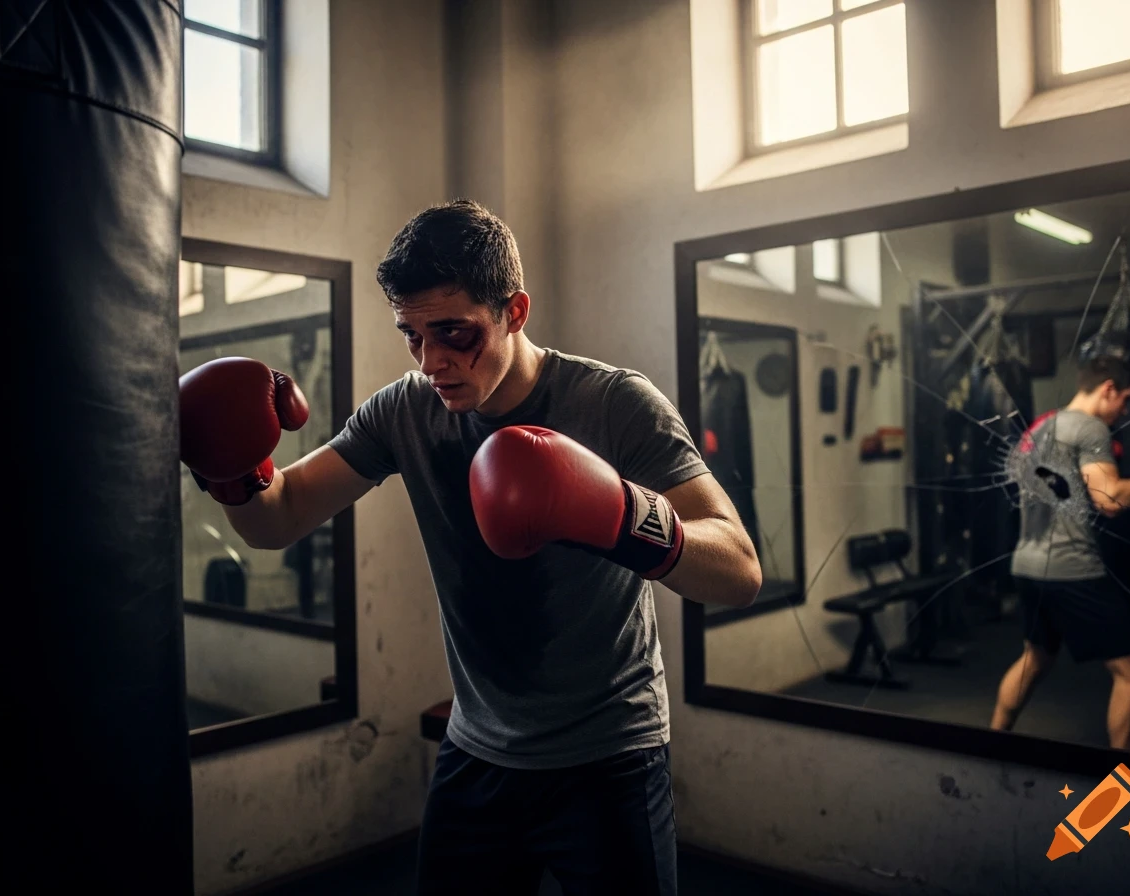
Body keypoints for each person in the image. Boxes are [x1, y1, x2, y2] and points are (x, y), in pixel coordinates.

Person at [178, 199, 763, 895]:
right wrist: (234, 471)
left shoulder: (612, 404)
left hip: (610, 756)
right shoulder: (404, 410)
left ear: (514, 311)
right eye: (413, 336)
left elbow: (739, 570)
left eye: (455, 333)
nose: (434, 361)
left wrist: (619, 513)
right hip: (477, 750)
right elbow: (280, 519)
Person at [989, 354, 1130, 751]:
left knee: (1034, 659)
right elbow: (1109, 499)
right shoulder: (1090, 428)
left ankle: (989, 746)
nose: (1125, 411)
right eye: (1124, 400)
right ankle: (1121, 782)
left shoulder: (1042, 426)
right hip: (1072, 569)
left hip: (1026, 563)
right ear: (1108, 389)